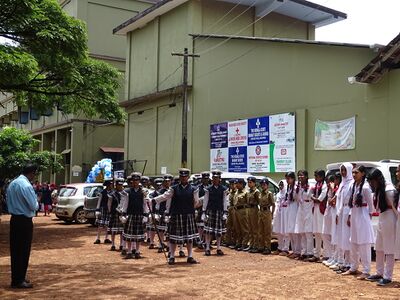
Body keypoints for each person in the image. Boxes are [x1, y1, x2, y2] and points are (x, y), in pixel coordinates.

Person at [152, 168, 200, 265]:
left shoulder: (194, 189)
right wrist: (154, 200)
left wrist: (191, 210)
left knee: (189, 238)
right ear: (180, 177)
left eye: (185, 176)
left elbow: (196, 202)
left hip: (188, 215)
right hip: (176, 215)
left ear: (188, 177)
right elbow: (165, 196)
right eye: (182, 177)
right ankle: (172, 256)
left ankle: (190, 256)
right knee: (174, 238)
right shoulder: (174, 188)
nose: (183, 178)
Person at [7, 163, 39, 288]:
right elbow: (33, 205)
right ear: (32, 173)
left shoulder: (13, 183)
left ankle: (16, 277)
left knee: (15, 250)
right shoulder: (26, 185)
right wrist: (36, 201)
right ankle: (19, 280)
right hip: (24, 220)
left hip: (14, 219)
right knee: (23, 251)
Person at [342, 165, 374, 280]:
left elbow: (371, 206)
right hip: (355, 215)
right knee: (353, 242)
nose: (354, 174)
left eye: (357, 172)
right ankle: (353, 267)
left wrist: (367, 219)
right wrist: (350, 216)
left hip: (363, 216)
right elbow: (352, 202)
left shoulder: (365, 187)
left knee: (364, 243)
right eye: (353, 172)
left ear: (363, 174)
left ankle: (366, 270)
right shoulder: (353, 185)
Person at [366, 169, 397, 286]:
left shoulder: (389, 190)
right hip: (382, 217)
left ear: (378, 179)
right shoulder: (380, 189)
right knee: (378, 246)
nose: (371, 184)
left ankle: (388, 276)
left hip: (389, 218)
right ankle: (379, 272)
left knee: (389, 248)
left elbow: (395, 209)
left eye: (372, 181)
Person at [330, 163, 353, 274]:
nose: (343, 173)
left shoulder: (352, 184)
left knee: (348, 238)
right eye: (342, 170)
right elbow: (338, 199)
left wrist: (349, 215)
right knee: (342, 238)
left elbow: (352, 200)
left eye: (345, 170)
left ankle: (350, 264)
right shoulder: (342, 184)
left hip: (348, 211)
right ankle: (344, 262)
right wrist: (338, 214)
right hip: (341, 211)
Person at [122, 172, 149, 259]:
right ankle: (129, 251)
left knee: (138, 235)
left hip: (140, 215)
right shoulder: (127, 191)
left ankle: (137, 251)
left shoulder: (143, 191)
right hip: (130, 214)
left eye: (137, 180)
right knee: (129, 235)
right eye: (133, 180)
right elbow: (125, 204)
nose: (135, 182)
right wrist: (123, 214)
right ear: (131, 181)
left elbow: (145, 204)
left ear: (139, 181)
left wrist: (146, 215)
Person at [202, 170, 228, 256]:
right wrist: (203, 212)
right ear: (212, 179)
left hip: (219, 211)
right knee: (208, 231)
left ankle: (218, 248)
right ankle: (208, 248)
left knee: (218, 232)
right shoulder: (208, 189)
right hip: (210, 211)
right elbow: (205, 200)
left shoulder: (223, 189)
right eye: (214, 178)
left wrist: (225, 212)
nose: (215, 180)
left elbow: (225, 201)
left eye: (217, 178)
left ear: (220, 179)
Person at [309, 169, 328, 262]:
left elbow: (319, 199)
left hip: (321, 209)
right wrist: (313, 197)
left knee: (322, 233)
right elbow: (311, 195)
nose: (315, 178)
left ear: (321, 176)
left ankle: (325, 254)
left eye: (317, 176)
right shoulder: (316, 185)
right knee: (316, 232)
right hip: (316, 209)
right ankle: (316, 254)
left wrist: (312, 197)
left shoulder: (324, 186)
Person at [294, 170, 313, 260]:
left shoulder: (310, 186)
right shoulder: (298, 187)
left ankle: (310, 252)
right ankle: (304, 252)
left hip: (308, 208)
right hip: (301, 208)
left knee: (308, 232)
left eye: (302, 175)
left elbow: (311, 197)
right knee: (302, 232)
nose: (300, 177)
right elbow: (296, 198)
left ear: (306, 176)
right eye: (299, 176)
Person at [322, 174, 340, 267]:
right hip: (328, 212)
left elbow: (334, 201)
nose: (328, 184)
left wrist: (333, 189)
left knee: (334, 236)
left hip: (334, 212)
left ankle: (335, 257)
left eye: (330, 182)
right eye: (327, 182)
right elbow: (329, 201)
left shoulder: (337, 189)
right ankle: (329, 256)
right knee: (325, 234)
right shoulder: (329, 190)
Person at [155, 174, 173, 253]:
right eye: (165, 181)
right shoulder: (160, 191)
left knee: (170, 231)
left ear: (171, 182)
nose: (167, 183)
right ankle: (161, 244)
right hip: (162, 212)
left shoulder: (173, 190)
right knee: (161, 230)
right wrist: (156, 212)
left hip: (170, 213)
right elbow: (156, 202)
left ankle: (169, 245)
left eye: (168, 181)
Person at [107, 178, 127, 251]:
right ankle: (113, 244)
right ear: (116, 185)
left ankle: (121, 244)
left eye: (121, 185)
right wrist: (110, 212)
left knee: (122, 230)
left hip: (122, 213)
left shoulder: (125, 193)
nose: (120, 186)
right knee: (113, 231)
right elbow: (109, 204)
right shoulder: (112, 194)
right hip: (114, 213)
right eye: (119, 185)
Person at [284, 172, 300, 258]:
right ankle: (294, 250)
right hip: (290, 207)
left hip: (295, 207)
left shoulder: (296, 186)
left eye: (288, 178)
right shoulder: (289, 187)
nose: (287, 180)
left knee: (294, 230)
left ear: (293, 178)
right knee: (290, 229)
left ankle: (298, 250)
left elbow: (297, 198)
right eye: (286, 178)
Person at [257, 178, 275, 255]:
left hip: (267, 212)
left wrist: (272, 213)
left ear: (267, 185)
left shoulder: (269, 193)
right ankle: (261, 246)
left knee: (267, 231)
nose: (263, 186)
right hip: (260, 212)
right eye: (262, 185)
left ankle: (267, 247)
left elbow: (273, 204)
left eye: (264, 185)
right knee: (260, 230)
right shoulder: (260, 194)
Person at [94, 179, 113, 244]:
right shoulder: (102, 192)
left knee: (108, 225)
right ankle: (98, 238)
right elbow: (99, 201)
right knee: (100, 225)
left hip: (109, 210)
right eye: (110, 184)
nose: (111, 186)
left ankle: (106, 238)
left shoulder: (112, 193)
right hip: (102, 209)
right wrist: (97, 209)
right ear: (107, 185)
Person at [233, 178, 249, 251]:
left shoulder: (246, 192)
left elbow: (248, 203)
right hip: (236, 211)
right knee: (237, 228)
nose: (236, 185)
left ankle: (244, 244)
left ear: (242, 184)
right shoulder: (236, 192)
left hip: (243, 211)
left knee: (244, 228)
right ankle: (238, 243)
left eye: (237, 184)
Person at [147, 178, 163, 249]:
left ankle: (161, 242)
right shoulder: (152, 194)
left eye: (160, 185)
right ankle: (151, 242)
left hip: (162, 212)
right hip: (154, 212)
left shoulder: (164, 193)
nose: (159, 186)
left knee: (161, 229)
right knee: (152, 228)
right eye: (157, 185)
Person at [196, 172, 210, 249]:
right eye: (204, 179)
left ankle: (207, 242)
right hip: (200, 209)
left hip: (209, 209)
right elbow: (196, 200)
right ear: (202, 179)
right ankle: (200, 241)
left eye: (207, 179)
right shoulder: (198, 188)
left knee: (207, 226)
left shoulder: (210, 187)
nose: (206, 180)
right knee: (200, 226)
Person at [246, 176, 260, 253]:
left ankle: (256, 245)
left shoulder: (256, 191)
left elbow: (259, 202)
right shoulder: (249, 191)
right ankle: (251, 244)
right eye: (248, 182)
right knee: (250, 228)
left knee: (255, 229)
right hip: (249, 209)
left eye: (250, 182)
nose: (249, 184)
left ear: (254, 183)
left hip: (254, 209)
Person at [272, 180, 286, 254]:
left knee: (285, 232)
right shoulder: (278, 194)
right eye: (279, 185)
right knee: (279, 232)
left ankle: (285, 249)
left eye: (282, 185)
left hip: (284, 214)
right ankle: (280, 247)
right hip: (278, 214)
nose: (280, 186)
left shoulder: (287, 194)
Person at [224, 179, 237, 249]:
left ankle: (235, 242)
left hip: (234, 209)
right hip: (229, 209)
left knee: (235, 226)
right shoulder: (229, 192)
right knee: (228, 225)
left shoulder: (237, 192)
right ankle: (228, 241)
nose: (232, 185)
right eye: (231, 184)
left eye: (233, 184)